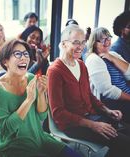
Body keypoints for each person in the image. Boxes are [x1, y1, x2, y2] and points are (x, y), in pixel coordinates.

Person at [0, 39, 82, 157]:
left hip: (40, 138)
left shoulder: (31, 78)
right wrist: (28, 101)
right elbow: (5, 132)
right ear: (5, 61)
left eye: (26, 54)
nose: (24, 58)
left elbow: (41, 116)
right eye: (17, 54)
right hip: (15, 147)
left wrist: (42, 93)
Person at [47, 24, 130, 157]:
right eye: (75, 42)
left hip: (91, 117)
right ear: (63, 44)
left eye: (83, 42)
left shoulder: (81, 64)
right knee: (125, 144)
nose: (81, 46)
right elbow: (58, 113)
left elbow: (89, 95)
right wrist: (93, 125)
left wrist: (106, 110)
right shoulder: (55, 71)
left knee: (126, 135)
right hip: (73, 125)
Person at [85, 27, 130, 123]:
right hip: (111, 103)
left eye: (108, 38)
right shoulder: (93, 59)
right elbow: (107, 90)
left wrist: (113, 58)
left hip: (125, 97)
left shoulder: (113, 54)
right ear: (94, 43)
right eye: (102, 40)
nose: (107, 42)